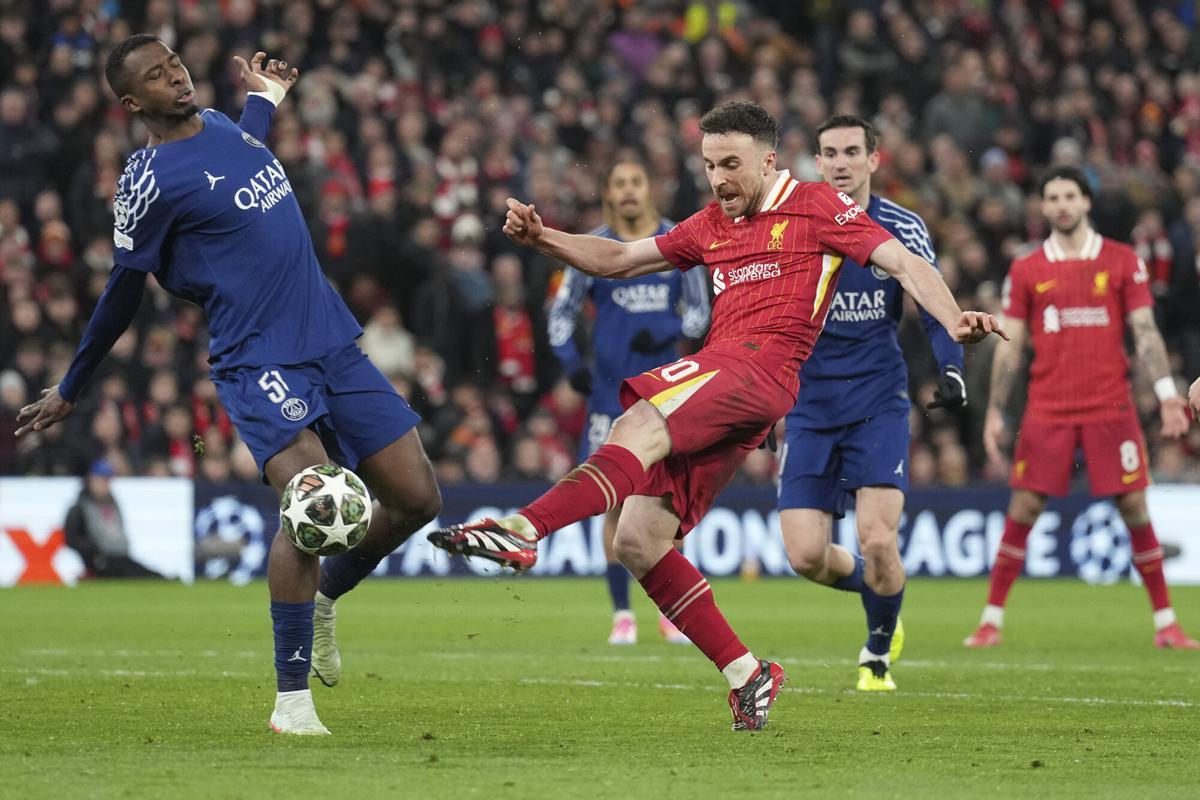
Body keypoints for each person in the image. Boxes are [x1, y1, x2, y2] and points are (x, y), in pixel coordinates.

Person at [429, 101, 1004, 731]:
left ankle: (525, 528)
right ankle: (746, 673)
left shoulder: (816, 205)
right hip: (736, 386)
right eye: (708, 165)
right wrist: (542, 237)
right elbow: (618, 260)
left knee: (636, 424)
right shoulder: (709, 223)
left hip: (761, 368)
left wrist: (953, 320)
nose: (718, 178)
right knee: (638, 541)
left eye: (731, 164)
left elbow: (905, 263)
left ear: (768, 160)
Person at [15, 36, 442, 734]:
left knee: (418, 497)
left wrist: (264, 102)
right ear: (132, 103)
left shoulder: (217, 123)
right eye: (155, 76)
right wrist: (73, 383)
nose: (175, 75)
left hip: (328, 334)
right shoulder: (148, 179)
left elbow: (242, 156)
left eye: (174, 62)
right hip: (259, 358)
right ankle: (292, 703)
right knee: (309, 499)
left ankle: (329, 595)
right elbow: (124, 288)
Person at [966, 165, 1198, 650]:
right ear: (1043, 207)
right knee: (1025, 504)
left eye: (1070, 195)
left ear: (1086, 201)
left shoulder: (1121, 261)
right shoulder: (1027, 268)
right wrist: (994, 412)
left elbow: (1145, 332)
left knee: (1134, 504)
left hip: (1110, 407)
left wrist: (1166, 395)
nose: (1062, 204)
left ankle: (1165, 624)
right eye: (1052, 197)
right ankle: (990, 620)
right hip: (1047, 407)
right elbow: (1010, 346)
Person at [777, 115, 964, 692]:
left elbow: (929, 298)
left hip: (878, 401)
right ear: (816, 160)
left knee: (878, 539)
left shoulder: (900, 226)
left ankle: (877, 653)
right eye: (829, 152)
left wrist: (951, 366)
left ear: (873, 160)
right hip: (809, 406)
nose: (840, 162)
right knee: (806, 555)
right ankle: (885, 590)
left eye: (852, 151)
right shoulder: (793, 225)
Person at [548, 154, 710, 646]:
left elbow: (700, 315)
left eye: (636, 180)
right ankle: (623, 613)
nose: (629, 191)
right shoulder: (594, 247)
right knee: (613, 507)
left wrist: (663, 329)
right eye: (619, 183)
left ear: (650, 188)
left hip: (666, 397)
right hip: (606, 399)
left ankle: (668, 612)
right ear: (609, 193)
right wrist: (572, 362)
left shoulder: (679, 242)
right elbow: (561, 315)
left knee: (668, 506)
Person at [65, 458, 167, 579]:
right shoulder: (80, 508)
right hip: (99, 560)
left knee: (144, 574)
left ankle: (163, 579)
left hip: (120, 556)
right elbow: (71, 538)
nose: (106, 485)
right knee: (133, 576)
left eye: (108, 480)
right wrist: (93, 551)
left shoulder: (113, 503)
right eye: (102, 480)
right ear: (91, 480)